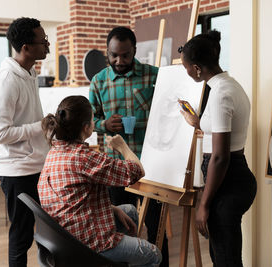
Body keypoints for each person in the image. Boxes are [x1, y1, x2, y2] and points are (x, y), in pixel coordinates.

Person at [39, 95, 162, 267]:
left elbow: (71, 197)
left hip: (63, 233)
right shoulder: (84, 157)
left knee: (130, 212)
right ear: (87, 127)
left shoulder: (54, 151)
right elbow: (136, 170)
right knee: (153, 254)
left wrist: (111, 208)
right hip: (85, 243)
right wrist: (122, 146)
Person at [89, 26, 169, 266]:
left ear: (135, 50)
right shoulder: (98, 81)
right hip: (114, 166)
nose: (119, 60)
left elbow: (168, 114)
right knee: (119, 226)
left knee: (156, 224)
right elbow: (88, 122)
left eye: (125, 55)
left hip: (151, 165)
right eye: (114, 55)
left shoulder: (155, 76)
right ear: (107, 52)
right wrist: (103, 123)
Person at [178, 30, 257, 267]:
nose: (187, 72)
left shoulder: (221, 94)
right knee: (224, 255)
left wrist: (204, 205)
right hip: (231, 177)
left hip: (227, 179)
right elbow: (222, 130)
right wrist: (198, 122)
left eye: (187, 67)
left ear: (197, 68)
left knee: (225, 259)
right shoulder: (228, 85)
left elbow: (220, 157)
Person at [0, 17, 50, 267]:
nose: (47, 45)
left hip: (37, 166)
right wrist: (39, 127)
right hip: (17, 172)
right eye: (43, 41)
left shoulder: (30, 73)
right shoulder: (7, 82)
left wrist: (45, 127)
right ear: (26, 47)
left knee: (48, 232)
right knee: (22, 236)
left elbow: (28, 119)